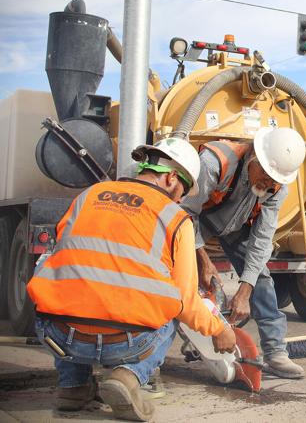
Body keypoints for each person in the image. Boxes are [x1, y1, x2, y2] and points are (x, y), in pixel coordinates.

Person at [27, 137, 236, 421]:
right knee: (171, 311)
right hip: (126, 343)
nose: (180, 200)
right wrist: (219, 329)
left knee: (72, 294)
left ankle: (72, 387)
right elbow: (186, 303)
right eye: (182, 192)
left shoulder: (89, 195)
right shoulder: (175, 218)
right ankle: (128, 377)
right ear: (171, 177)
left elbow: (62, 255)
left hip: (59, 334)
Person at [181, 126, 306, 379]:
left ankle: (275, 351)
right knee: (181, 279)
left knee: (260, 279)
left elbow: (262, 239)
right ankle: (154, 353)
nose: (268, 183)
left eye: (275, 180)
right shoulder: (215, 162)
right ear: (253, 157)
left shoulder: (277, 188)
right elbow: (185, 213)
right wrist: (203, 260)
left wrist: (244, 290)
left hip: (236, 226)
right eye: (265, 174)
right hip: (199, 219)